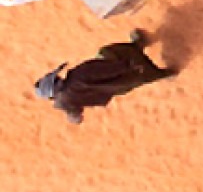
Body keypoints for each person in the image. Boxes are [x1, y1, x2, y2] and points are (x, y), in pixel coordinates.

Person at [35, 32, 176, 124]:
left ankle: (163, 74)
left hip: (116, 88)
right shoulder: (78, 76)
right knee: (108, 52)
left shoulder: (64, 101)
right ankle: (137, 48)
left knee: (140, 78)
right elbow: (106, 71)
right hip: (124, 70)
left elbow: (74, 117)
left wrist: (74, 117)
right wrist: (127, 66)